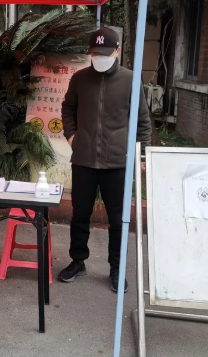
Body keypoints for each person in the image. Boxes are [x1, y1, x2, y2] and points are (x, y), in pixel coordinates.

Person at [58, 27, 151, 293]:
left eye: (105, 54)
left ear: (117, 51)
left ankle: (116, 268)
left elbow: (142, 121)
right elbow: (68, 108)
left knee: (118, 219)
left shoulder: (130, 80)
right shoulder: (80, 78)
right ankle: (78, 261)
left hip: (118, 163)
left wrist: (141, 154)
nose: (99, 58)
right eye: (95, 54)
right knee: (80, 215)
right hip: (84, 160)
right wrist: (72, 135)